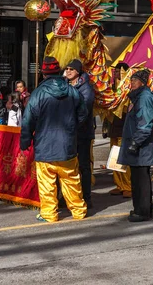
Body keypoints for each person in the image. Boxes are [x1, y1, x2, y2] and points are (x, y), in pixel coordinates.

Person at [20, 56, 88, 222]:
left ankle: (50, 214)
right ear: (59, 72)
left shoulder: (38, 94)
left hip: (45, 145)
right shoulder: (72, 91)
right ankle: (79, 211)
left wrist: (25, 142)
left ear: (43, 74)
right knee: (71, 179)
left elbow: (28, 120)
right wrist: (72, 128)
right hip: (67, 145)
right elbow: (83, 113)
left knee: (47, 183)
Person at [118, 69, 153, 222]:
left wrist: (135, 142)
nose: (131, 83)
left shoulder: (145, 98)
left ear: (142, 82)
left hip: (142, 147)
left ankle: (143, 211)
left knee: (141, 180)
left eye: (134, 80)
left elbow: (145, 124)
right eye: (131, 80)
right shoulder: (138, 97)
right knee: (136, 179)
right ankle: (139, 209)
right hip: (138, 146)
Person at [65, 59, 96, 208]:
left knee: (83, 166)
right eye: (67, 69)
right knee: (67, 165)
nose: (68, 71)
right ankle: (70, 196)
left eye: (71, 69)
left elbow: (84, 111)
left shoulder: (86, 89)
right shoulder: (64, 85)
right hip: (68, 132)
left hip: (82, 133)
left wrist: (73, 124)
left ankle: (87, 196)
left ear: (78, 71)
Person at [104, 62, 132, 197]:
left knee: (123, 158)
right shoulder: (112, 90)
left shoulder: (128, 90)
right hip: (114, 128)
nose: (115, 76)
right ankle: (119, 184)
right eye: (114, 73)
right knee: (113, 158)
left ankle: (128, 186)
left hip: (124, 129)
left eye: (118, 73)